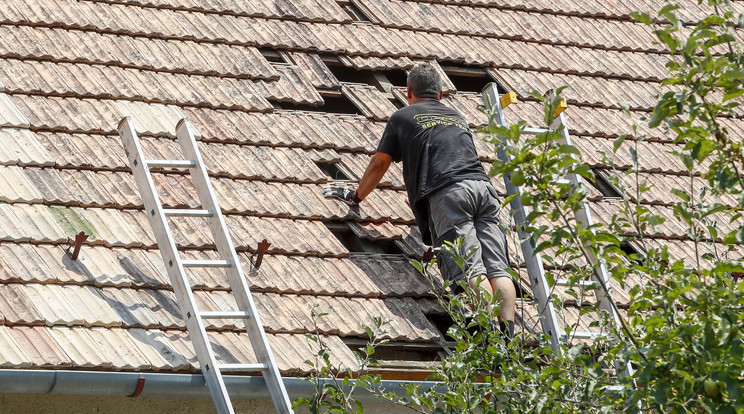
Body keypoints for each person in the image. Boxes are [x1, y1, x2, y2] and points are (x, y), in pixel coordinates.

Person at [325, 63, 515, 340]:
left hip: (450, 193)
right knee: (497, 268)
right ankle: (509, 339)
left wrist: (356, 196)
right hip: (484, 190)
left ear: (408, 92)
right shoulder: (456, 115)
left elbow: (380, 163)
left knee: (470, 268)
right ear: (440, 93)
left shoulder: (403, 116)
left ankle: (490, 340)